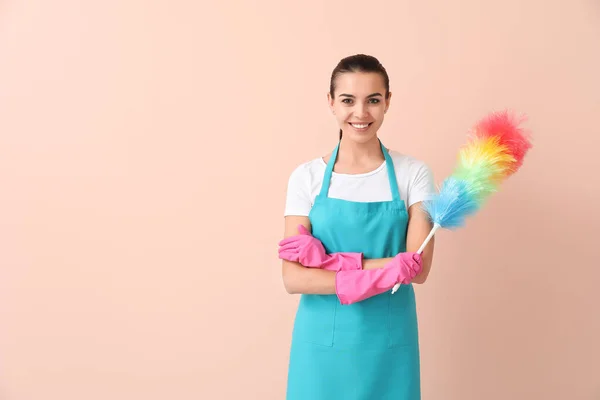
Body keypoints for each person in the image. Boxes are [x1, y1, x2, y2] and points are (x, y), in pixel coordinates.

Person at [278, 54, 436, 400]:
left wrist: (328, 263)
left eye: (373, 100)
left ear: (387, 102)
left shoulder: (414, 174)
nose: (360, 113)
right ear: (331, 103)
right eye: (348, 100)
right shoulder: (307, 178)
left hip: (389, 344)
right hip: (320, 345)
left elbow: (417, 269)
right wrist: (383, 265)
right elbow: (294, 278)